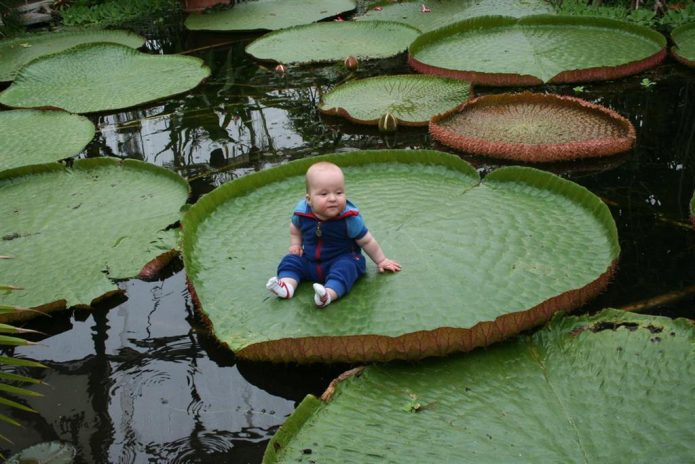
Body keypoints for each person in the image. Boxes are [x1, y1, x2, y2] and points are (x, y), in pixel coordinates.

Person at [266, 161, 400, 308]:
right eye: (324, 194)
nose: (332, 198)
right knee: (291, 261)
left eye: (339, 192)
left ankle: (327, 295)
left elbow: (367, 241)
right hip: (310, 261)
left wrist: (381, 260)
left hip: (340, 259)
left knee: (347, 268)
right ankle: (286, 287)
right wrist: (296, 244)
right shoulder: (302, 213)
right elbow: (295, 227)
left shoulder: (349, 218)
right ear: (309, 199)